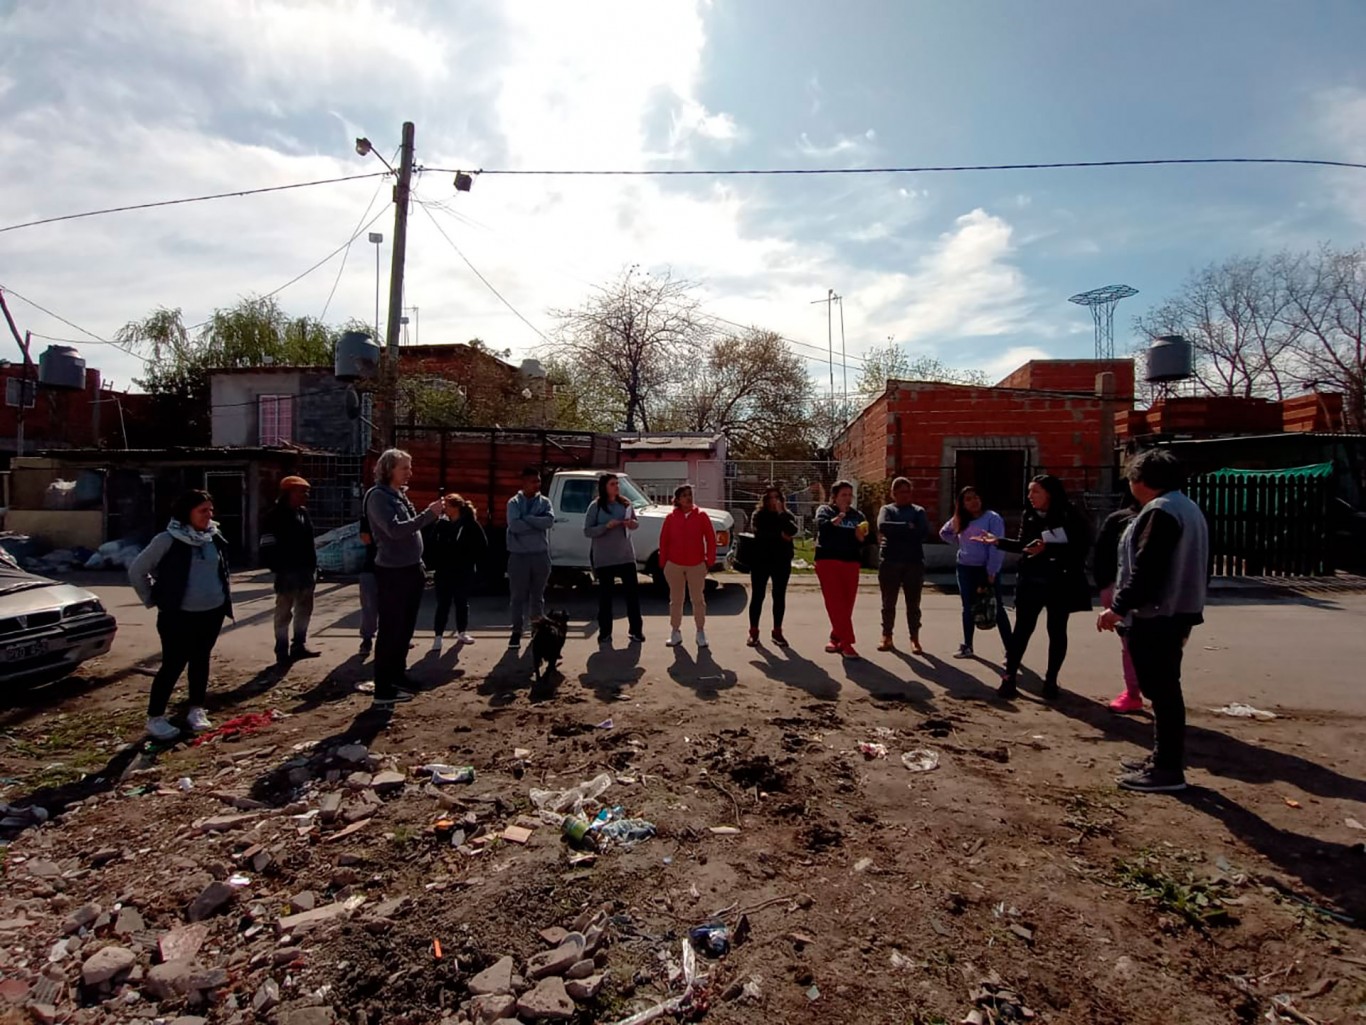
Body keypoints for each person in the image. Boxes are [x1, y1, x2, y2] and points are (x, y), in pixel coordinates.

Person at [1098, 449, 1209, 793]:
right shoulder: (1185, 507)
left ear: (1141, 480)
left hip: (1159, 613)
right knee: (1163, 690)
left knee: (1162, 691)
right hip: (1177, 610)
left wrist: (1118, 607)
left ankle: (1167, 769)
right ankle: (1162, 759)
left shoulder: (1161, 512)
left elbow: (1148, 568)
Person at [128, 489, 232, 741]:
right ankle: (156, 717)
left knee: (201, 660)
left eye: (210, 510)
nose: (209, 515)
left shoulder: (212, 536)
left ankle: (196, 708)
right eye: (202, 511)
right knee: (173, 665)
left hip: (212, 612)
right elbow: (137, 570)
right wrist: (154, 598)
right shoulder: (168, 539)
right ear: (187, 513)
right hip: (178, 616)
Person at [976, 474, 1091, 699]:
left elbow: (1081, 547)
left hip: (1060, 581)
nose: (1030, 496)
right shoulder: (1029, 515)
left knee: (1057, 630)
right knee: (1022, 630)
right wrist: (998, 541)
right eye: (1029, 491)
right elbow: (1023, 545)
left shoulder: (1070, 514)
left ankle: (1050, 681)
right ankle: (1009, 678)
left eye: (1035, 491)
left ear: (1049, 493)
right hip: (1032, 580)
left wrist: (1048, 550)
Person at [365, 448, 443, 710]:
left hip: (410, 569)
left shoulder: (397, 495)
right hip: (393, 572)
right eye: (404, 468)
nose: (410, 472)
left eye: (410, 467)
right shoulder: (378, 497)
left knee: (404, 629)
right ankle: (383, 688)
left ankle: (398, 676)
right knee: (390, 630)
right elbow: (395, 530)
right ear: (388, 469)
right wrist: (428, 515)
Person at [939, 486, 1012, 660]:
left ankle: (1011, 649)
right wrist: (959, 542)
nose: (973, 502)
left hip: (985, 569)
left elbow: (997, 546)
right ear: (962, 504)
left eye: (976, 497)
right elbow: (944, 532)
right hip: (965, 568)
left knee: (996, 607)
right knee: (968, 607)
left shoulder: (992, 518)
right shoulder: (960, 519)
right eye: (968, 499)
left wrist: (992, 570)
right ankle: (967, 645)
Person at [260, 475, 319, 664]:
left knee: (304, 609)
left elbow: (309, 543)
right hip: (286, 572)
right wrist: (279, 567)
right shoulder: (274, 516)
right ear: (288, 493)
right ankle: (281, 649)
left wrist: (313, 567)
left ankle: (299, 645)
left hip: (305, 571)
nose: (306, 495)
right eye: (302, 491)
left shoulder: (303, 513)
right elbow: (267, 546)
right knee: (284, 612)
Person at [1094, 491, 1144, 713]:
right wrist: (1106, 586)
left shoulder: (1170, 515)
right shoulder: (1119, 520)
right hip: (1120, 589)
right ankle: (1133, 693)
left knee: (1161, 648)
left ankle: (1158, 694)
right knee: (1129, 645)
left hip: (1161, 595)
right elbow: (1102, 554)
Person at [584, 473, 644, 645]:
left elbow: (636, 522)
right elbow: (587, 531)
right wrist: (605, 526)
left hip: (625, 556)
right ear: (604, 487)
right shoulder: (595, 506)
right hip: (605, 558)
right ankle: (605, 633)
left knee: (632, 596)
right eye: (612, 484)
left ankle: (636, 631)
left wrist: (631, 524)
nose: (616, 487)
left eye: (617, 484)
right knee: (606, 598)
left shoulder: (625, 503)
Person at [814, 480, 871, 659]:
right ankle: (847, 644)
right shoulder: (825, 511)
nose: (847, 499)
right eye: (843, 495)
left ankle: (835, 637)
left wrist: (861, 537)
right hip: (828, 561)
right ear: (834, 497)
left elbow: (866, 540)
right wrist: (839, 517)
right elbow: (823, 529)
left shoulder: (858, 515)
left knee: (847, 604)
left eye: (849, 495)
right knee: (835, 603)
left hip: (851, 561)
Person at [876, 477, 930, 653]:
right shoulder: (887, 509)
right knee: (888, 602)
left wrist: (899, 530)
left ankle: (915, 638)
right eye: (901, 492)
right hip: (890, 561)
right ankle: (887, 636)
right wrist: (908, 527)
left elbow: (922, 532)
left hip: (913, 561)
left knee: (913, 603)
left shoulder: (918, 511)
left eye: (908, 491)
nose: (905, 495)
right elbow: (883, 526)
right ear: (894, 494)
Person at [660, 483, 716, 649]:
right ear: (677, 499)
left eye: (690, 494)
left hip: (696, 564)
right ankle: (675, 631)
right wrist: (664, 563)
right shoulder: (671, 517)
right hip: (674, 564)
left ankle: (700, 631)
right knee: (676, 600)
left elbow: (711, 539)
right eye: (684, 495)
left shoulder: (702, 516)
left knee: (698, 599)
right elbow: (664, 540)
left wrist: (709, 560)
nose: (688, 498)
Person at [428, 493, 487, 650]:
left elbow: (482, 545)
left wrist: (469, 560)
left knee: (461, 602)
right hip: (444, 571)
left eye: (447, 506)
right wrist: (436, 561)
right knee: (443, 604)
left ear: (456, 507)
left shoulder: (470, 524)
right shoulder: (441, 524)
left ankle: (462, 632)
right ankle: (438, 636)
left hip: (463, 571)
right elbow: (432, 544)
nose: (444, 509)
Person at [507, 466, 555, 649]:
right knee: (518, 596)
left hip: (540, 555)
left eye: (539, 481)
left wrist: (527, 518)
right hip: (519, 556)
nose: (537, 484)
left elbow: (549, 521)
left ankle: (537, 630)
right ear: (524, 483)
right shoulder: (514, 503)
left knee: (538, 596)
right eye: (533, 481)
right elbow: (515, 526)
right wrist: (536, 521)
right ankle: (516, 632)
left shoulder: (545, 502)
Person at [746, 487, 797, 647]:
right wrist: (780, 536)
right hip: (761, 560)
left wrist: (781, 514)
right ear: (765, 499)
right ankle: (753, 632)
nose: (774, 501)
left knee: (779, 595)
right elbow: (760, 534)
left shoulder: (786, 515)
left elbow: (793, 530)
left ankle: (777, 631)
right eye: (771, 498)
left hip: (781, 560)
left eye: (777, 498)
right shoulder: (759, 515)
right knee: (758, 596)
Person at [357, 510, 378, 657]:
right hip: (372, 566)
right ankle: (367, 639)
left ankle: (395, 638)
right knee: (369, 605)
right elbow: (365, 539)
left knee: (393, 607)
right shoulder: (368, 516)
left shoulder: (399, 512)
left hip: (394, 566)